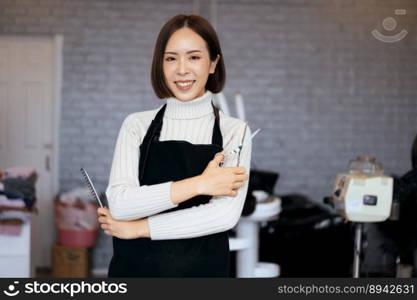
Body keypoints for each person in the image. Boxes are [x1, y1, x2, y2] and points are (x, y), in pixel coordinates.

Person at [97, 14, 252, 277]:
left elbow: (223, 215)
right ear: (160, 64)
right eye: (171, 58)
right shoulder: (136, 125)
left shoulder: (235, 132)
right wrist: (201, 184)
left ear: (213, 63)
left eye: (194, 57)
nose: (182, 69)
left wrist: (138, 228)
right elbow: (121, 204)